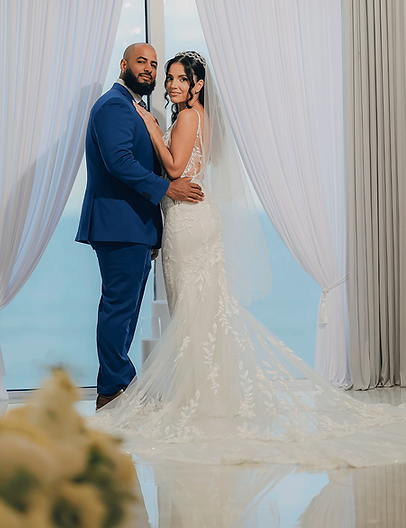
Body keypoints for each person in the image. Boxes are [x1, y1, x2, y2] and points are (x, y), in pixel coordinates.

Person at [94, 51, 406, 470]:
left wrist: (152, 130)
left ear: (198, 85)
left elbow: (173, 167)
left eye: (179, 78)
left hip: (188, 219)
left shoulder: (186, 117)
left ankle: (194, 397)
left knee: (192, 310)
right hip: (185, 218)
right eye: (166, 76)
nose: (169, 83)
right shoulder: (161, 112)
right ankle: (204, 393)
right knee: (199, 309)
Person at [76, 43, 203, 411]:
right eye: (141, 62)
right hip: (119, 224)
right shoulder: (114, 105)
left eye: (153, 63)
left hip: (135, 225)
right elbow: (118, 161)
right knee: (119, 307)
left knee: (127, 309)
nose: (148, 68)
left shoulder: (136, 106)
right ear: (124, 65)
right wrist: (167, 188)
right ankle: (113, 389)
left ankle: (121, 384)